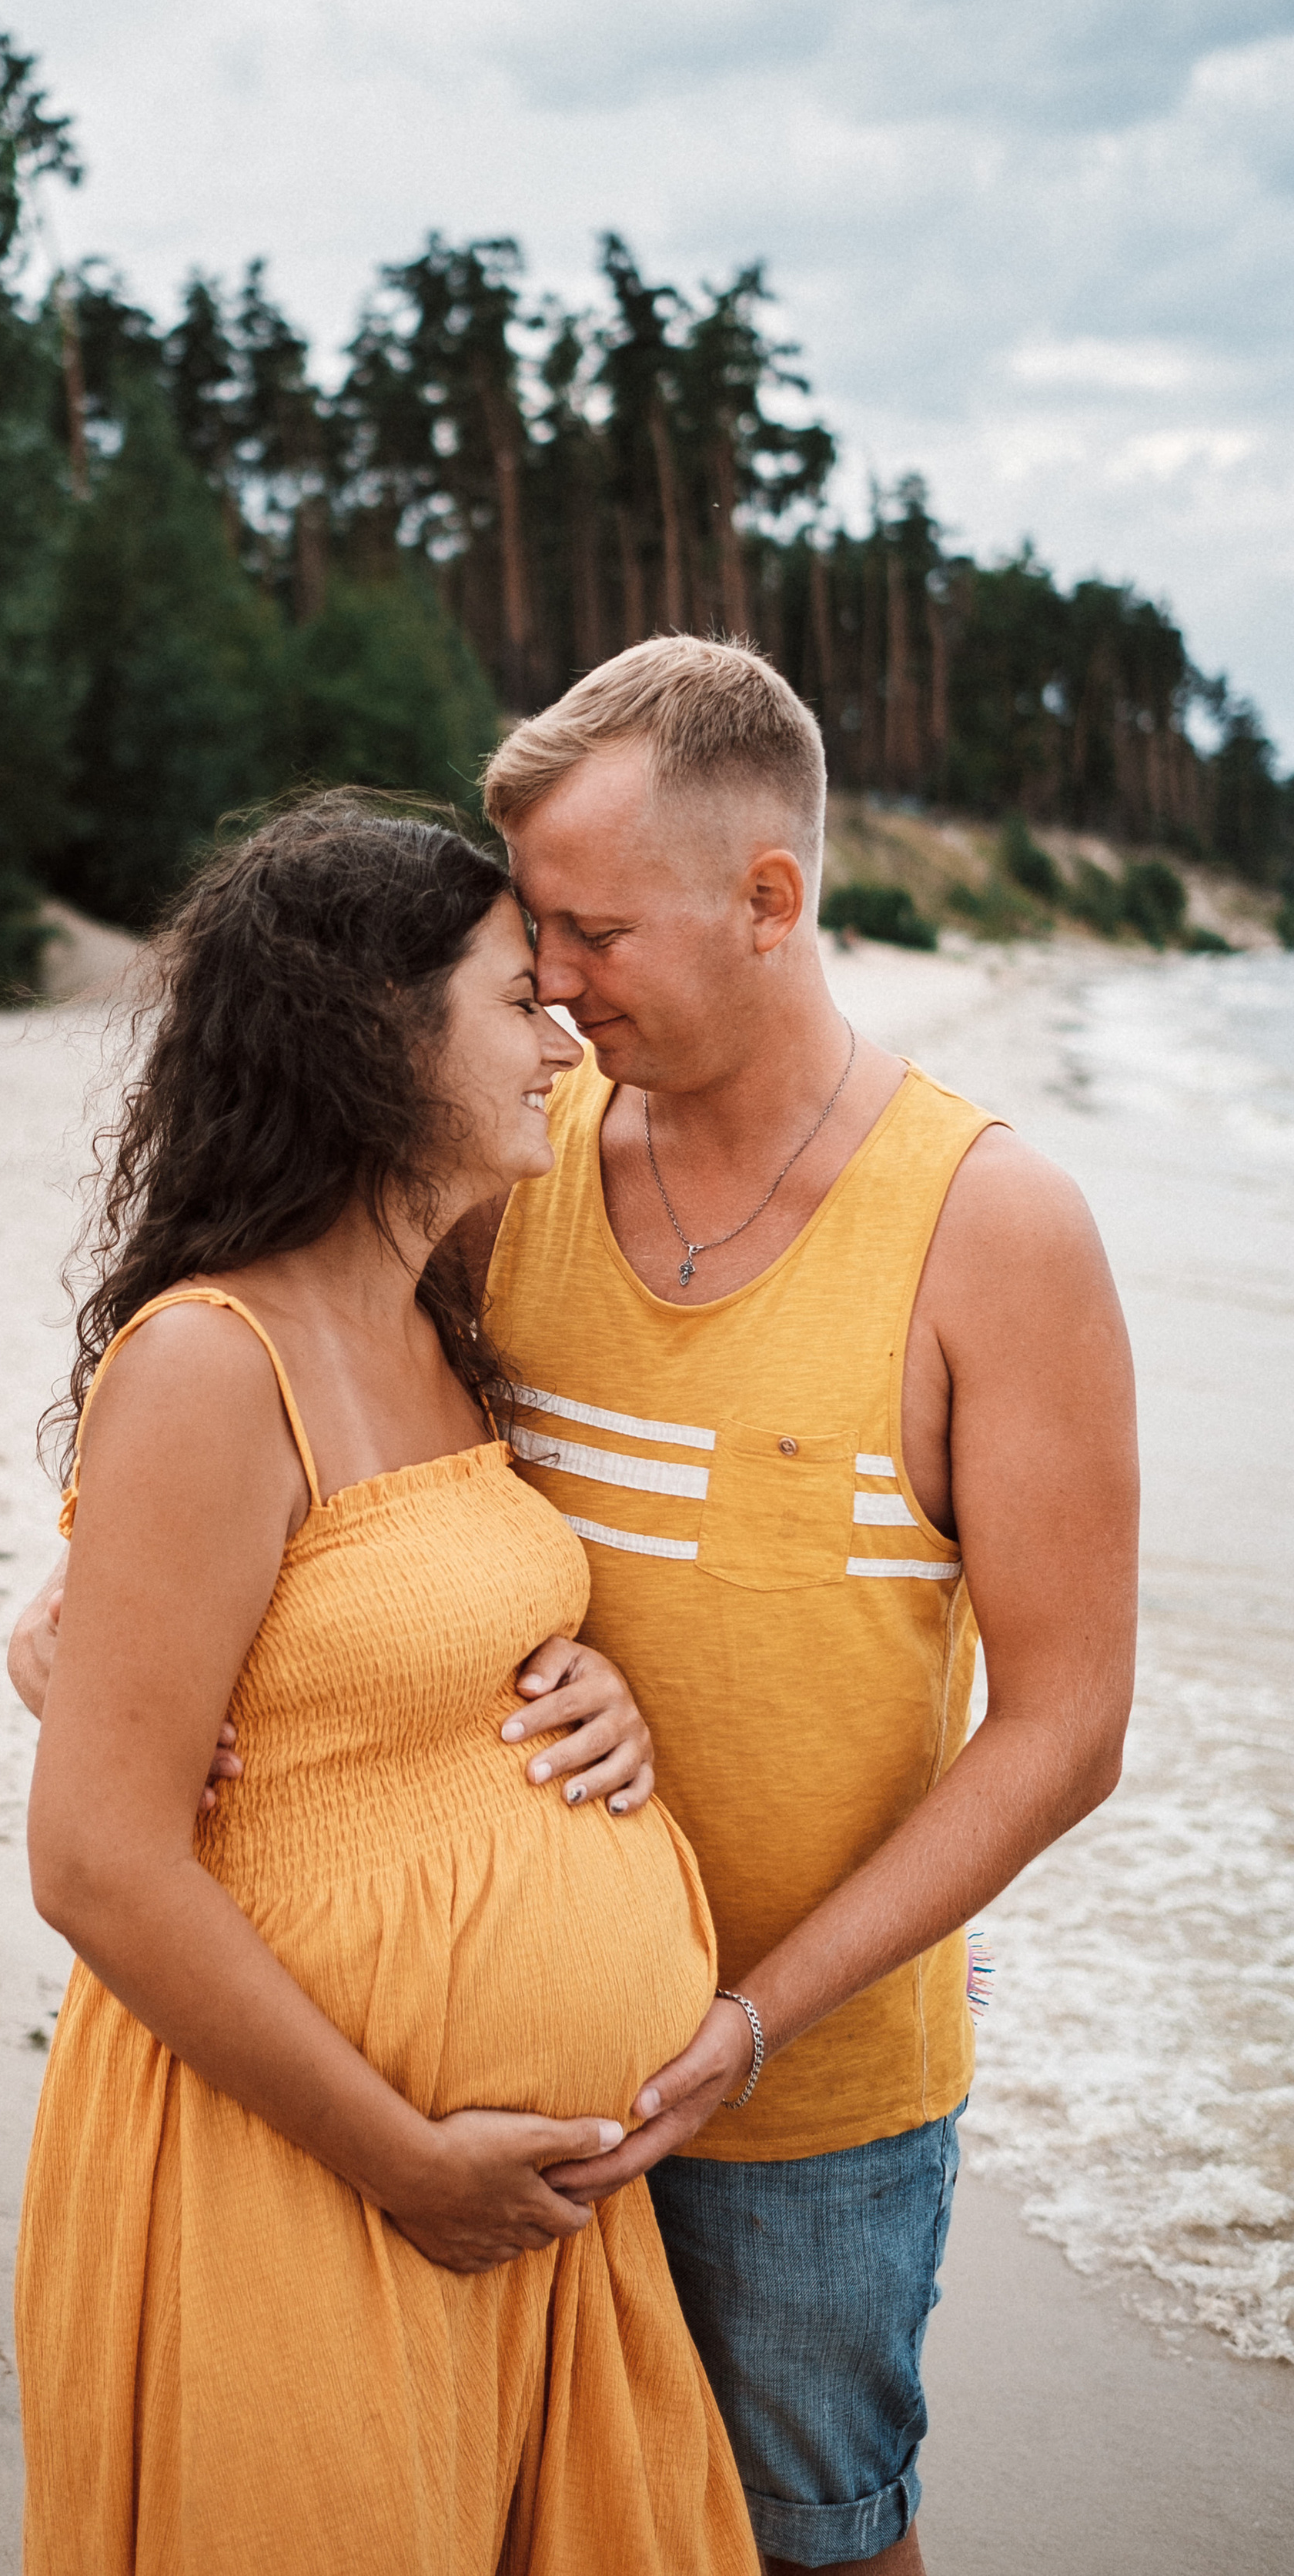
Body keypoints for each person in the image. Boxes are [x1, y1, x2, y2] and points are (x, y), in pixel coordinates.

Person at [13, 797, 755, 2576]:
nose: (563, 1038)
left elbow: (380, 1655)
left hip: (519, 2216)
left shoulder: (436, 1322)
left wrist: (593, 1695)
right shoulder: (211, 1361)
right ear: (371, 1032)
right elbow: (96, 1861)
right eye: (517, 998)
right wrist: (407, 2160)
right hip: (305, 2174)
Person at [466, 636, 1139, 2574]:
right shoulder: (511, 1157)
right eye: (535, 933)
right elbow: (323, 1441)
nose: (550, 984)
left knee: (808, 2544)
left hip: (808, 2099)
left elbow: (1063, 1725)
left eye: (593, 931)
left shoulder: (991, 1229)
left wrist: (751, 2024)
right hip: (491, 2059)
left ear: (768, 900)